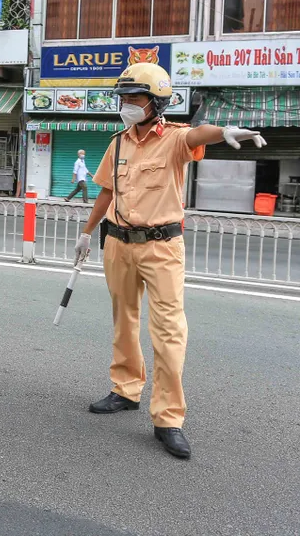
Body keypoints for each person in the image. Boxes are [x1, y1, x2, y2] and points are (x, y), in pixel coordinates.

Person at [73, 63, 267, 459]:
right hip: (119, 243)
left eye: (136, 97)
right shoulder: (119, 143)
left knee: (168, 331)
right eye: (123, 97)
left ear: (157, 102)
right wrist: (87, 232)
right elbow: (106, 192)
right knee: (123, 319)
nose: (127, 104)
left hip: (162, 247)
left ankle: (168, 418)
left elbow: (200, 134)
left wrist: (224, 132)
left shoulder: (175, 139)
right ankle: (126, 389)